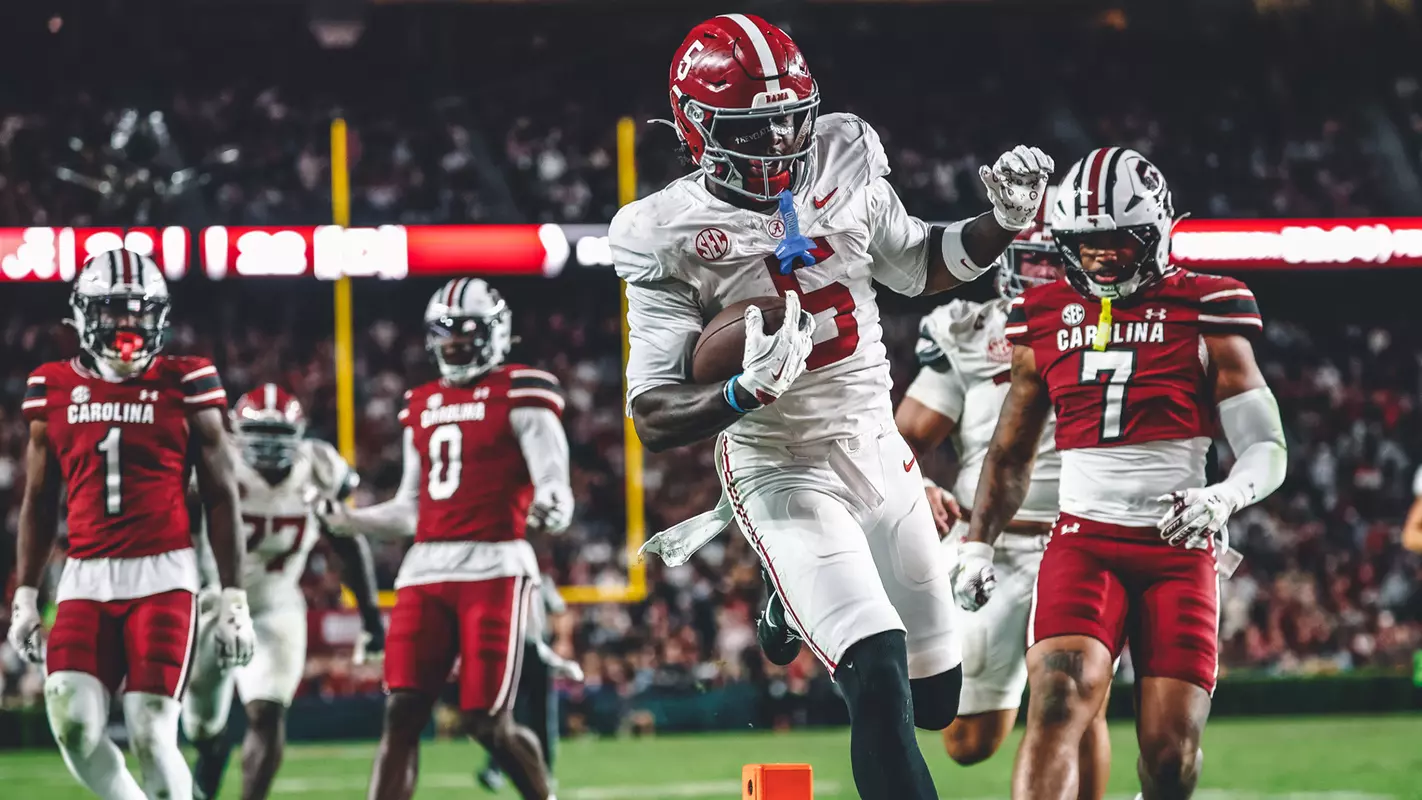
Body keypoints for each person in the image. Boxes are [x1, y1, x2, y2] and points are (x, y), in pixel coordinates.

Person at [619, 14, 1052, 800]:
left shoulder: (845, 156)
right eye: (758, 126)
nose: (783, 139)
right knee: (878, 677)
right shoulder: (664, 231)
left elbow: (920, 264)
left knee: (936, 702)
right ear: (697, 126)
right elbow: (652, 413)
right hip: (780, 466)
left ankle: (788, 604)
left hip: (878, 445)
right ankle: (798, 587)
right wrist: (740, 391)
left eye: (791, 116)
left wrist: (1003, 225)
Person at [955, 148, 1287, 800]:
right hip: (1083, 543)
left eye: (1115, 241)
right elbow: (1010, 451)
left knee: (1171, 760)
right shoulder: (1041, 312)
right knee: (1053, 704)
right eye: (1086, 243)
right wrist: (976, 543)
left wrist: (1225, 497)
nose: (1101, 257)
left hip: (1178, 551)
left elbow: (1267, 445)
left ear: (1156, 233)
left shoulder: (1208, 304)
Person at [8, 249, 256, 800]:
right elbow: (40, 499)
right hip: (84, 576)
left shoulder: (188, 381)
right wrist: (25, 593)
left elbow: (221, 497)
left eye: (139, 313)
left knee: (150, 728)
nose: (127, 326)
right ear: (83, 316)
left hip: (163, 576)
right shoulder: (51, 386)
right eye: (113, 312)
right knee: (72, 724)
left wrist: (234, 597)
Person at [319, 278, 574, 800]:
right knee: (402, 712)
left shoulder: (524, 389)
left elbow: (555, 484)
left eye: (466, 333)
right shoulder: (421, 403)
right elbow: (413, 508)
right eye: (447, 334)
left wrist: (555, 506)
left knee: (485, 720)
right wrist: (354, 521)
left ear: (496, 333)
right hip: (425, 569)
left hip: (494, 565)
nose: (455, 344)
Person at [894, 221, 1112, 799]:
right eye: (1029, 259)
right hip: (985, 544)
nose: (1038, 274)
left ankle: (1050, 698)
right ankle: (1028, 679)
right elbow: (905, 437)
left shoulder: (1120, 324)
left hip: (1080, 540)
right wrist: (916, 487)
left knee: (1076, 698)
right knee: (968, 742)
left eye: (1050, 261)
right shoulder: (971, 331)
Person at [182, 384, 386, 800]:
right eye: (260, 434)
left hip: (276, 604)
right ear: (237, 432)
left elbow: (347, 540)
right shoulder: (212, 460)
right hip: (210, 603)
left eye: (279, 435)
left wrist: (369, 615)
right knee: (201, 726)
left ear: (299, 434)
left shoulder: (318, 467)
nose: (270, 446)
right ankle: (211, 758)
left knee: (267, 710)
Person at [476, 574, 584, 795]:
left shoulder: (541, 580)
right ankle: (496, 768)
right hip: (510, 649)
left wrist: (561, 642)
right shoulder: (501, 578)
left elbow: (559, 611)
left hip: (533, 650)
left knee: (540, 717)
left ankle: (543, 772)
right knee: (505, 715)